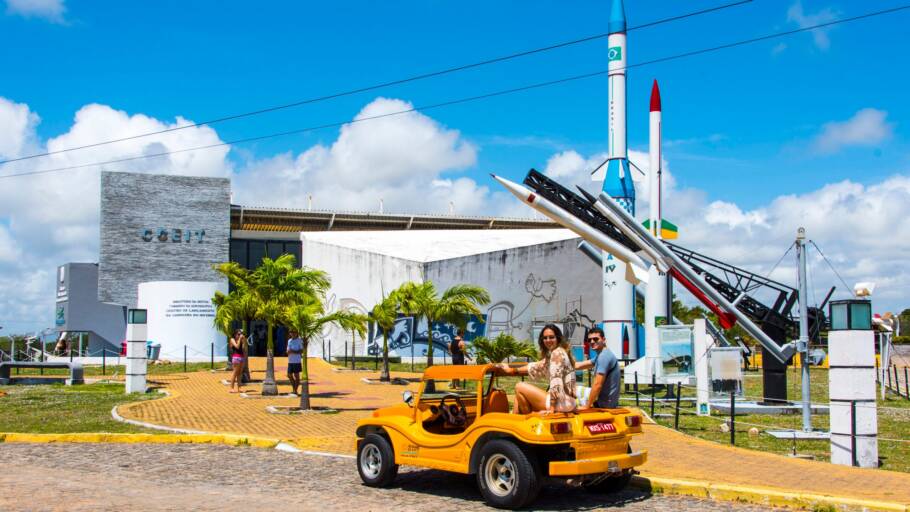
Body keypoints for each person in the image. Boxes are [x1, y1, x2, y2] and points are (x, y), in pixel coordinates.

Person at [497, 324, 576, 414]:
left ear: (558, 338)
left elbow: (556, 381)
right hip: (568, 402)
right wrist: (512, 370)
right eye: (545, 338)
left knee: (519, 386)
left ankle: (527, 422)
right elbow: (536, 366)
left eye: (551, 337)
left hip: (561, 404)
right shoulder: (560, 352)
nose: (548, 340)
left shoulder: (556, 354)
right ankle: (515, 421)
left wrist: (551, 409)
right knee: (518, 397)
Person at [575, 327, 621, 409]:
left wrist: (587, 406)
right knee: (574, 389)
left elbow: (597, 385)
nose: (592, 342)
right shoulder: (602, 355)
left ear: (603, 340)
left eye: (595, 339)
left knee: (569, 396)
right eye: (589, 340)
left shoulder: (603, 357)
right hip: (608, 401)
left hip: (604, 404)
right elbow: (578, 365)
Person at [228, 329, 247, 393]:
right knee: (235, 373)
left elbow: (243, 348)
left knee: (240, 373)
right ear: (235, 334)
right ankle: (231, 388)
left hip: (241, 357)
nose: (240, 335)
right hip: (236, 357)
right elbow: (237, 347)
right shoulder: (232, 340)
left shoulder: (241, 340)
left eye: (241, 334)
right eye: (238, 334)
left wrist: (244, 341)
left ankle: (239, 387)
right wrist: (239, 340)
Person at [286, 329, 303, 396]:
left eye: (294, 332)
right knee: (289, 375)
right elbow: (288, 350)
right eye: (291, 332)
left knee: (296, 376)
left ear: (297, 333)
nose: (292, 333)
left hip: (296, 361)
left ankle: (295, 390)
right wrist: (288, 352)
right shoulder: (289, 340)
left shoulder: (299, 341)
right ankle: (294, 389)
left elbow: (301, 351)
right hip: (290, 361)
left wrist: (293, 351)